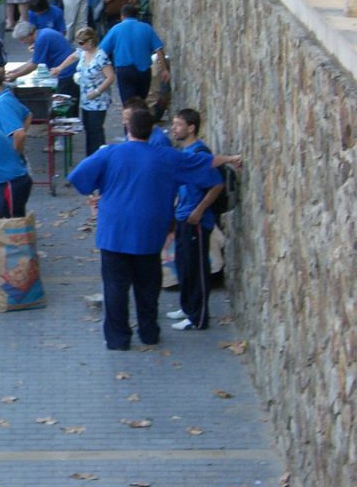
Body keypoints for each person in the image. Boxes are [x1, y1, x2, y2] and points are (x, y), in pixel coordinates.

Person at [69, 109, 241, 350]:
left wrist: (100, 191)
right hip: (149, 234)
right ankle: (148, 332)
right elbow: (204, 162)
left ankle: (118, 339)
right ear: (152, 131)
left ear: (128, 129)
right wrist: (231, 158)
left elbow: (78, 177)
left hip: (113, 233)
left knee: (115, 288)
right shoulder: (166, 156)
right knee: (147, 287)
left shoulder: (110, 153)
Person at [168, 109, 225, 332]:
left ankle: (198, 317)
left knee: (197, 267)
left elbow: (216, 184)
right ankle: (187, 306)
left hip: (196, 221)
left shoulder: (199, 154)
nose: (174, 129)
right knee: (183, 264)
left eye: (178, 125)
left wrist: (199, 211)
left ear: (191, 128)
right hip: (183, 216)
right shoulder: (186, 151)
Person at [50, 27, 116, 156]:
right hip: (86, 97)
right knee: (88, 128)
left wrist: (97, 91)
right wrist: (60, 68)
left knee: (96, 129)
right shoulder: (83, 52)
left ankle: (100, 156)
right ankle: (90, 156)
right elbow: (73, 57)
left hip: (98, 100)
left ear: (90, 42)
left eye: (81, 43)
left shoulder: (100, 56)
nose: (79, 46)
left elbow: (110, 77)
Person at [98, 4, 168, 104]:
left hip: (125, 70)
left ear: (122, 16)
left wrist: (103, 71)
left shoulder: (116, 29)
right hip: (144, 71)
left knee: (128, 104)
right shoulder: (147, 28)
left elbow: (102, 52)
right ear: (137, 16)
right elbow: (159, 49)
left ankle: (131, 118)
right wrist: (164, 69)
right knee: (140, 102)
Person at [9, 21, 80, 100]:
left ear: (29, 35)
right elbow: (34, 59)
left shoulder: (41, 39)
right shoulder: (42, 34)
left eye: (23, 39)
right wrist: (14, 71)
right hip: (67, 69)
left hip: (67, 72)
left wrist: (16, 75)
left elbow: (34, 65)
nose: (22, 42)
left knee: (63, 102)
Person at [0, 69, 32, 154]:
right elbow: (28, 115)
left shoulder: (3, 104)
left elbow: (19, 134)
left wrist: (14, 157)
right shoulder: (5, 98)